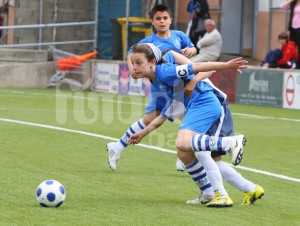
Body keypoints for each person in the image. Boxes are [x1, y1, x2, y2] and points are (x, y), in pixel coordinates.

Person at [128, 43, 250, 207]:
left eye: (138, 62)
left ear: (152, 62)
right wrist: (143, 133)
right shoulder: (156, 81)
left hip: (204, 102)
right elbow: (165, 113)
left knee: (183, 142)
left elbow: (199, 66)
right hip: (195, 105)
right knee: (183, 152)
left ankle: (230, 143)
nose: (134, 67)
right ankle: (208, 193)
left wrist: (226, 65)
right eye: (132, 63)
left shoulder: (165, 71)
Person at [106, 4, 197, 172]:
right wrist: (132, 68)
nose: (162, 21)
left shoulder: (179, 36)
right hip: (161, 89)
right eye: (158, 19)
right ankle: (184, 157)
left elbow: (192, 48)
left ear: (170, 20)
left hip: (176, 87)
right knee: (187, 121)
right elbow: (131, 53)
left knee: (149, 120)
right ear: (152, 22)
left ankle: (117, 147)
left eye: (165, 18)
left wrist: (192, 49)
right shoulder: (148, 42)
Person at [281, 0, 300, 69]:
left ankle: (298, 65)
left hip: (299, 28)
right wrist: (290, 0)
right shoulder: (293, 3)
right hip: (292, 28)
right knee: (291, 47)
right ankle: (291, 63)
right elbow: (282, 7)